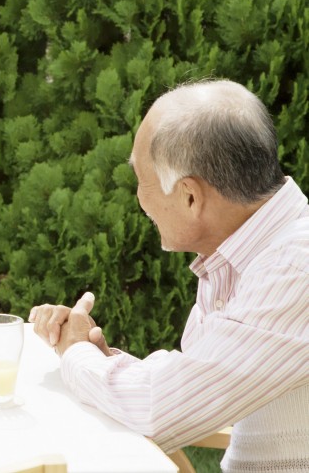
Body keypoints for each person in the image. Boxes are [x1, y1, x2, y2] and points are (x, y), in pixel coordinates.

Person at [29, 80, 308, 473]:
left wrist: (76, 351)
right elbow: (190, 387)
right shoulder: (241, 252)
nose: (140, 199)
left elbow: (162, 411)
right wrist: (101, 360)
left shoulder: (295, 269)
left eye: (141, 179)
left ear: (190, 195)